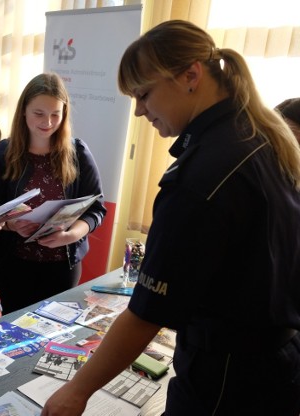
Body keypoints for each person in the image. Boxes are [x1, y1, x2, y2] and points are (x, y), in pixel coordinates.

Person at [42, 20, 300, 416]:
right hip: (273, 364)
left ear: (190, 76)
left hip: (227, 378)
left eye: (144, 94)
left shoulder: (204, 174)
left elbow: (146, 314)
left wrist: (77, 391)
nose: (140, 110)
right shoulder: (257, 136)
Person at [0, 73, 106, 314]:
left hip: (63, 266)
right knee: (15, 334)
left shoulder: (78, 153)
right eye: (39, 114)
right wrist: (11, 225)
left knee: (55, 332)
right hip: (15, 266)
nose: (48, 122)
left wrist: (72, 235)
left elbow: (96, 209)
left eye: (55, 114)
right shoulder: (4, 153)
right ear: (23, 111)